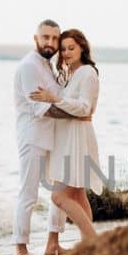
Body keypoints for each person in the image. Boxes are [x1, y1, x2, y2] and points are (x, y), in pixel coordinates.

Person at [29, 27, 102, 243]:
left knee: (58, 195)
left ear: (82, 48)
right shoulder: (71, 74)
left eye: (71, 48)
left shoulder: (88, 73)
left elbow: (84, 108)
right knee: (78, 195)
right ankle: (88, 244)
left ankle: (93, 240)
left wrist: (54, 99)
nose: (67, 53)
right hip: (69, 139)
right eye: (63, 49)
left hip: (78, 139)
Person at [12, 19, 72, 255]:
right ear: (35, 39)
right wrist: (75, 110)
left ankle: (52, 243)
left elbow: (55, 98)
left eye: (55, 38)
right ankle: (20, 248)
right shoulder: (29, 66)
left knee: (61, 189)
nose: (50, 42)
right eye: (45, 37)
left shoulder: (50, 66)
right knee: (29, 193)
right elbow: (43, 108)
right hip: (33, 137)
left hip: (52, 137)